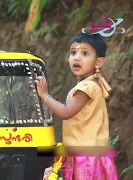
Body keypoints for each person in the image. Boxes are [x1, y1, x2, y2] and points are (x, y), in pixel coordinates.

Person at [34, 33, 118, 179]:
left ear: (98, 62)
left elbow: (66, 112)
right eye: (73, 52)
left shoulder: (87, 87)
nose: (76, 58)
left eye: (85, 53)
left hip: (86, 159)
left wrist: (44, 95)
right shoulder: (90, 83)